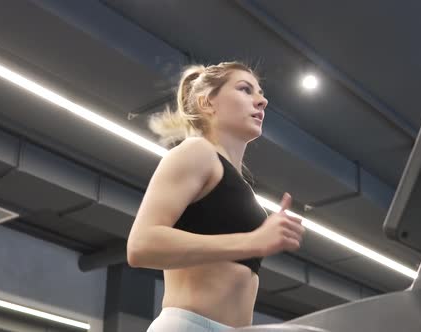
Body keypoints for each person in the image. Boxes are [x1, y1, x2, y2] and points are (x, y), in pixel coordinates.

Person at [127, 61, 306, 331]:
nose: (262, 101)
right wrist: (252, 241)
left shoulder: (240, 186)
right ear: (207, 103)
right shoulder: (196, 152)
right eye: (246, 90)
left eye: (260, 92)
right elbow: (141, 245)